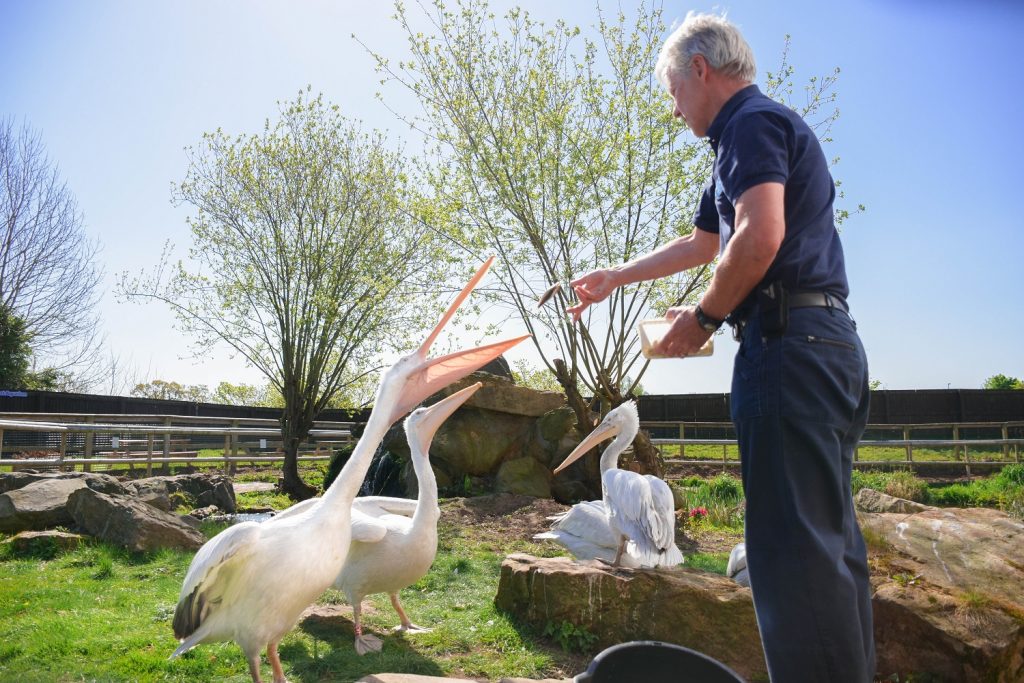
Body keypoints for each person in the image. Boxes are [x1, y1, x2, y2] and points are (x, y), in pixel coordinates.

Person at [566, 12, 875, 683]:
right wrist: (615, 277)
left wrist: (705, 317)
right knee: (831, 549)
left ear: (700, 70)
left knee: (791, 555)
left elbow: (758, 238)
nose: (675, 110)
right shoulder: (751, 137)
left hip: (789, 352)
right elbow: (707, 245)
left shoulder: (748, 125)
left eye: (674, 92)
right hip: (826, 346)